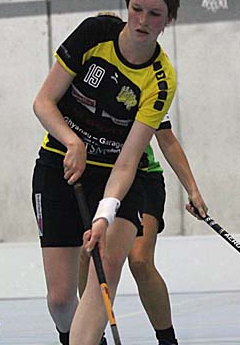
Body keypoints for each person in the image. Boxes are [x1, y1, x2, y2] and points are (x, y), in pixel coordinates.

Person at [31, 0, 182, 345]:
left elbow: (129, 161)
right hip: (61, 166)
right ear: (127, 6)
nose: (143, 21)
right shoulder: (94, 34)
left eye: (155, 14)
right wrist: (73, 142)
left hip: (118, 177)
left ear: (169, 19)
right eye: (137, 9)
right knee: (60, 299)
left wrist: (105, 214)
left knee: (105, 274)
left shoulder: (161, 79)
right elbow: (43, 102)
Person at [79, 112, 208, 345]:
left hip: (143, 176)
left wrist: (193, 190)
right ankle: (93, 338)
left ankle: (167, 340)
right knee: (86, 254)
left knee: (140, 260)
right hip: (96, 175)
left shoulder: (148, 90)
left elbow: (167, 140)